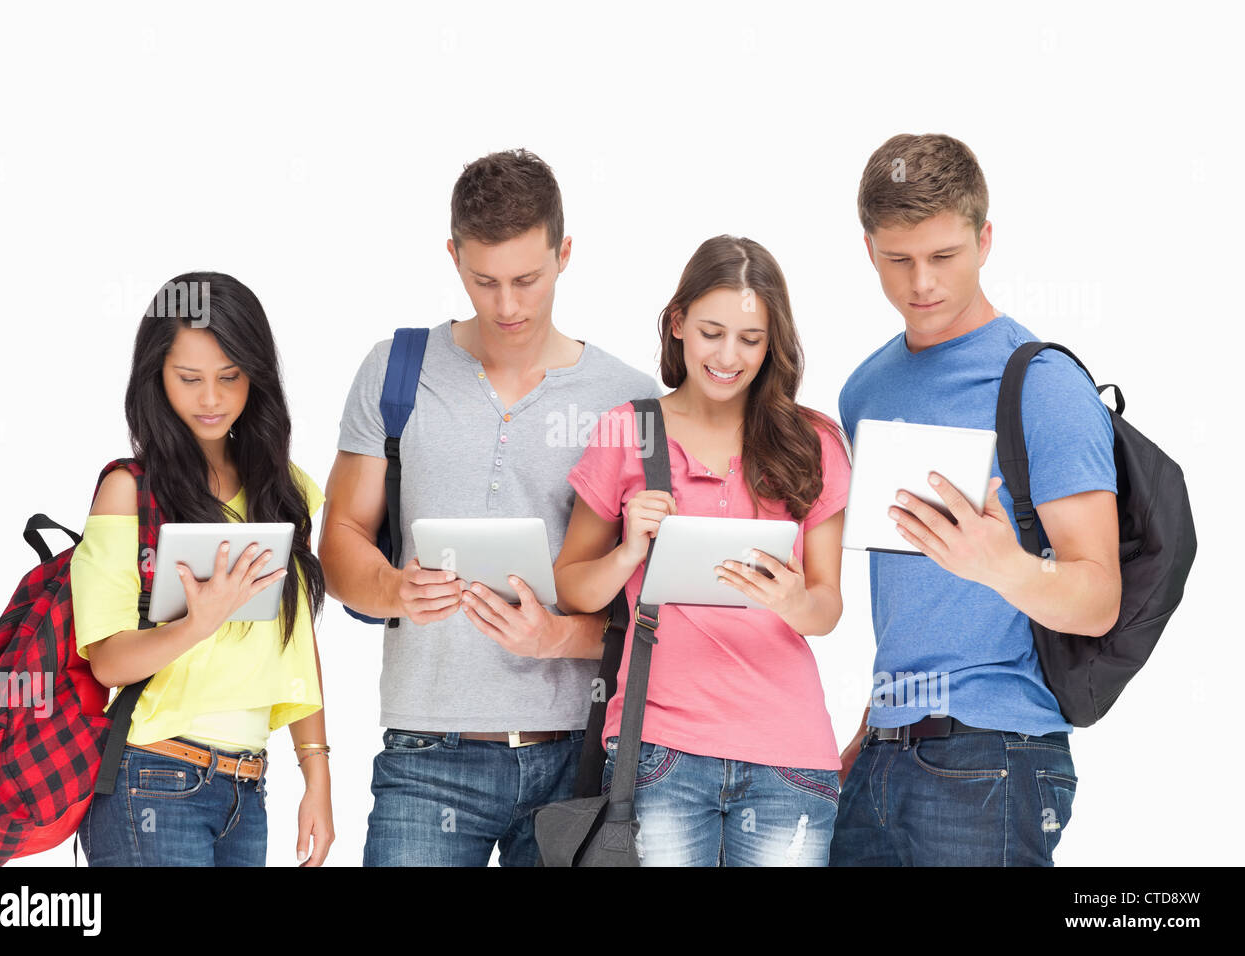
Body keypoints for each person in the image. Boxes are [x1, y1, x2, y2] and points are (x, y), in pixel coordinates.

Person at [322, 149, 661, 867]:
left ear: (564, 254)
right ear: (453, 256)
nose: (508, 306)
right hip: (426, 756)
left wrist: (557, 639)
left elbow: (649, 604)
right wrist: (392, 588)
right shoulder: (396, 369)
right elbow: (342, 536)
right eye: (484, 281)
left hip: (578, 757)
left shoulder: (628, 399)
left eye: (527, 280)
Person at [830, 133, 1121, 866]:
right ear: (869, 249)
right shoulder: (864, 391)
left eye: (943, 257)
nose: (920, 282)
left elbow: (1098, 596)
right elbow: (910, 596)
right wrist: (870, 735)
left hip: (997, 756)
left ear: (984, 240)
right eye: (898, 260)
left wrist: (1004, 565)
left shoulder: (1041, 383)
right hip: (885, 754)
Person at [553, 235, 851, 866]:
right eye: (712, 332)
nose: (728, 356)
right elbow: (572, 587)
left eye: (750, 339)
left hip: (789, 756)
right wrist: (629, 549)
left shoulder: (813, 441)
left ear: (773, 344)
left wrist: (796, 599)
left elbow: (827, 610)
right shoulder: (629, 431)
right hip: (659, 751)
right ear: (678, 323)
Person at [73, 272, 334, 867]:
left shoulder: (286, 492)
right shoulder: (127, 491)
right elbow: (108, 659)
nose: (211, 399)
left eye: (230, 378)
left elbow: (298, 643)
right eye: (188, 379)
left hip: (248, 788)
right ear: (156, 377)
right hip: (153, 778)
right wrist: (197, 622)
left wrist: (316, 775)